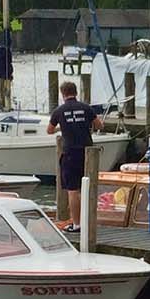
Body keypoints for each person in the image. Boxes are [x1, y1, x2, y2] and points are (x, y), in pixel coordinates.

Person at [48, 80, 99, 224]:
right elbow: (99, 124)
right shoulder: (86, 108)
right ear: (76, 92)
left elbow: (49, 130)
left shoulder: (59, 111)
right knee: (86, 188)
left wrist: (61, 128)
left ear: (62, 94)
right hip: (87, 153)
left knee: (72, 190)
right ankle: (88, 222)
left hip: (70, 153)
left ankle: (77, 224)